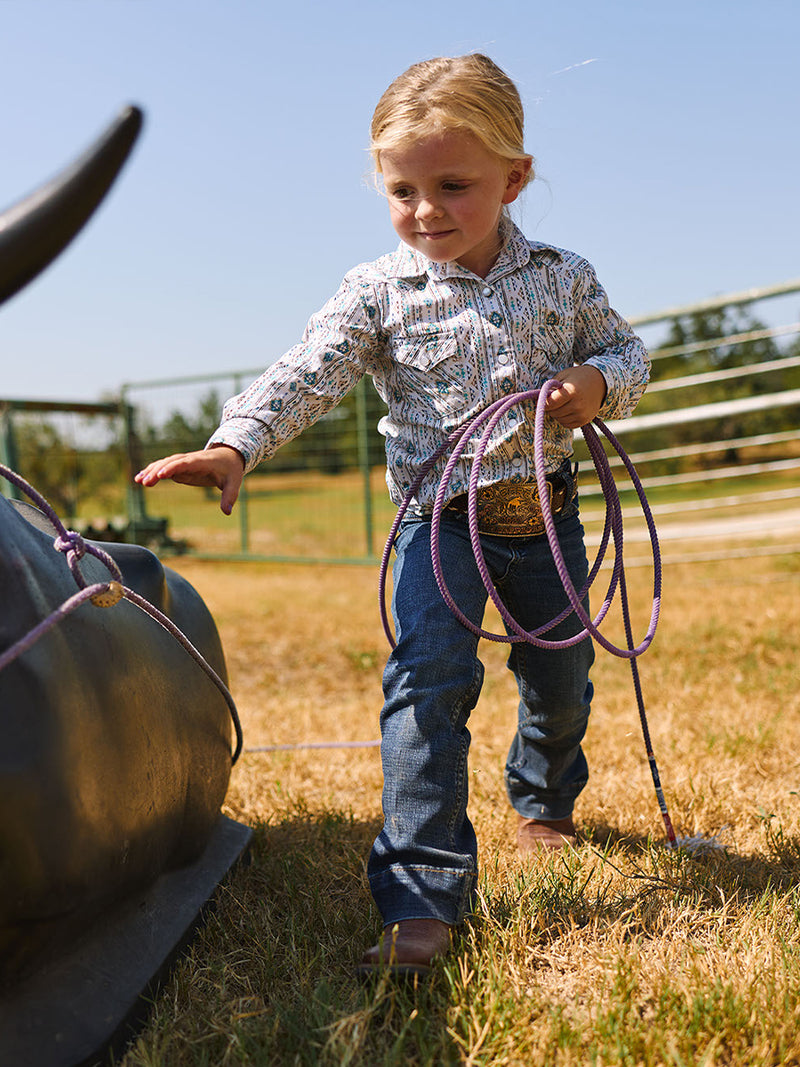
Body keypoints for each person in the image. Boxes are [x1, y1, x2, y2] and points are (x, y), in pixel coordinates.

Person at [135, 53, 650, 977]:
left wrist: (599, 379)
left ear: (514, 178)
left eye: (454, 185)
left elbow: (626, 349)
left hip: (548, 514)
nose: (427, 210)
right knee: (426, 687)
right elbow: (309, 368)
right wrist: (235, 443)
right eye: (403, 189)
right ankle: (422, 897)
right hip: (438, 522)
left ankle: (543, 800)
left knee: (561, 675)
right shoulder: (378, 291)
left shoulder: (565, 277)